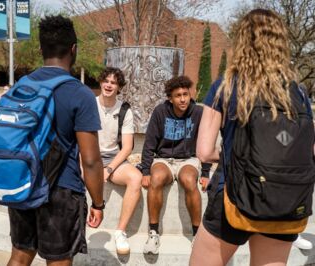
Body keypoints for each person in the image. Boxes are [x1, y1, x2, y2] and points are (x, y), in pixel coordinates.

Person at [190, 9, 310, 265]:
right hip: (283, 198)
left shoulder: (227, 85)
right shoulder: (298, 94)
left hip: (232, 193)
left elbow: (203, 151)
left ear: (242, 41)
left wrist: (242, 157)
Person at [6, 15, 104, 266]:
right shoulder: (80, 94)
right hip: (61, 190)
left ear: (41, 49)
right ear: (74, 49)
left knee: (19, 256)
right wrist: (98, 203)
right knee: (59, 261)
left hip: (22, 183)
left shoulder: (21, 85)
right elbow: (91, 160)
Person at [137, 75, 212, 255]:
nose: (183, 99)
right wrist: (146, 170)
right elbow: (149, 144)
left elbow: (207, 143)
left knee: (188, 180)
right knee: (157, 178)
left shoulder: (198, 113)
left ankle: (197, 234)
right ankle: (153, 233)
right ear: (170, 98)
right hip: (164, 159)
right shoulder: (160, 112)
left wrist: (206, 173)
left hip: (189, 159)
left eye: (185, 94)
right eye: (178, 95)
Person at [96, 67, 142, 255]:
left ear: (119, 87)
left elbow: (127, 147)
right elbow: (78, 139)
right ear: (100, 82)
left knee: (136, 178)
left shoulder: (125, 109)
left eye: (113, 82)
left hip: (113, 158)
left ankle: (120, 232)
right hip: (90, 156)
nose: (109, 85)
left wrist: (110, 168)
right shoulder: (89, 104)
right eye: (106, 81)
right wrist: (87, 165)